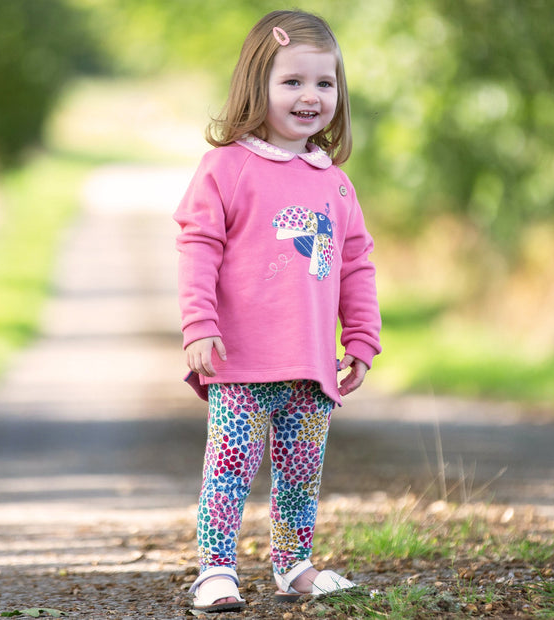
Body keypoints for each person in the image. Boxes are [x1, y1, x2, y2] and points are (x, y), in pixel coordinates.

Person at [174, 9, 381, 613]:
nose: (310, 96)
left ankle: (294, 565)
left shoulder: (335, 183)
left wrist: (362, 339)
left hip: (311, 364)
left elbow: (355, 264)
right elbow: (198, 245)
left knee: (299, 476)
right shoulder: (228, 168)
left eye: (324, 83)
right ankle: (215, 569)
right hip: (242, 359)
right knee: (231, 465)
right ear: (256, 86)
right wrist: (199, 323)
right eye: (292, 82)